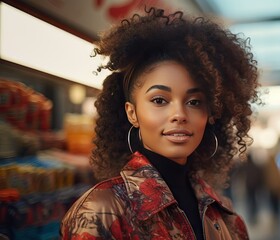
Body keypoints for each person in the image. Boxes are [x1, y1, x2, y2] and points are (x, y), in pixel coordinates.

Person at [60, 7, 260, 239]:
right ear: (132, 113)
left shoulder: (225, 214)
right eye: (159, 100)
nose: (179, 114)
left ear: (211, 113)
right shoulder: (100, 212)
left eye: (195, 102)